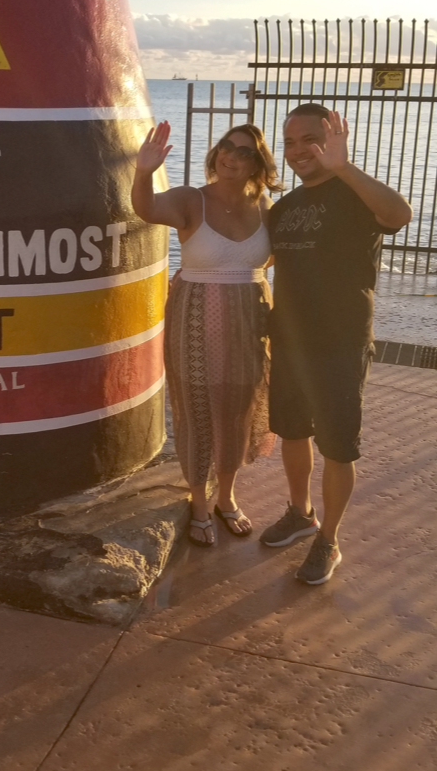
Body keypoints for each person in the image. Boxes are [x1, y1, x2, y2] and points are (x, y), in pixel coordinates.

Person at [260, 105, 413, 584]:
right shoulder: (283, 209)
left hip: (340, 343)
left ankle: (328, 538)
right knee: (292, 433)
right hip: (289, 340)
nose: (298, 151)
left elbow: (400, 214)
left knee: (337, 446)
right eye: (289, 142)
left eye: (309, 139)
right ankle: (300, 513)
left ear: (331, 140)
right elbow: (253, 258)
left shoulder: (354, 194)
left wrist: (344, 168)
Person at [132, 119, 282, 546]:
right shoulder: (190, 199)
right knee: (196, 407)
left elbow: (269, 260)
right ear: (216, 153)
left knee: (238, 407)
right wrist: (143, 171)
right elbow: (146, 209)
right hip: (195, 316)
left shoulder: (265, 206)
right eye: (226, 147)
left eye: (244, 152)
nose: (231, 157)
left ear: (257, 163)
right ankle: (199, 501)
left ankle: (226, 496)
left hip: (250, 319)